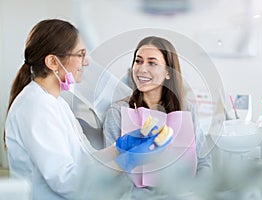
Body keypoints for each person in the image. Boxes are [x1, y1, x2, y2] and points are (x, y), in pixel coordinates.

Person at [3, 19, 158, 200]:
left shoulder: (57, 103)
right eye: (80, 55)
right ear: (53, 61)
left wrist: (119, 148)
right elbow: (67, 182)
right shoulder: (35, 107)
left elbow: (85, 159)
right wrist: (127, 162)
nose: (85, 63)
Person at [103, 36, 212, 198]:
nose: (142, 69)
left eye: (152, 63)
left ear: (168, 72)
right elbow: (112, 174)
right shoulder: (118, 111)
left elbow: (204, 163)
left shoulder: (187, 110)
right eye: (138, 61)